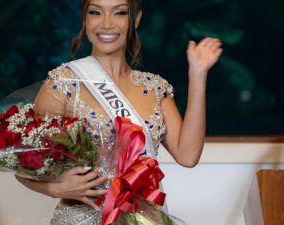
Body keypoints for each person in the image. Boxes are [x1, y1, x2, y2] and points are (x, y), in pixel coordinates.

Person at [15, 0, 223, 224]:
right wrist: (56, 188)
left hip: (143, 218)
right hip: (79, 219)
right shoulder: (64, 83)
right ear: (85, 18)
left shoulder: (154, 88)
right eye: (95, 12)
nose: (106, 24)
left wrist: (198, 74)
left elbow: (188, 155)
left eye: (119, 13)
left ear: (135, 20)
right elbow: (22, 163)